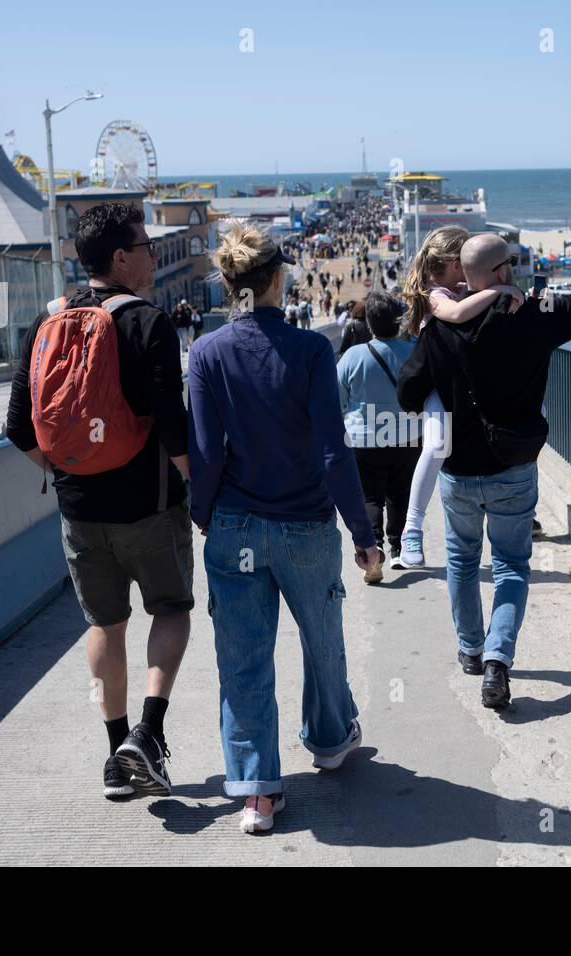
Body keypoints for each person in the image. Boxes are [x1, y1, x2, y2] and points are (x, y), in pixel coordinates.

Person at [397, 233, 571, 709]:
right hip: (513, 468)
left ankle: (471, 649)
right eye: (512, 264)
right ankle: (498, 660)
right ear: (500, 273)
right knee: (512, 565)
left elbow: (407, 393)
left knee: (461, 561)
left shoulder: (439, 327)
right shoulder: (533, 315)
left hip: (457, 471)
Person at [188, 221, 378, 834]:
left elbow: (207, 452)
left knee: (243, 658)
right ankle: (328, 742)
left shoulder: (207, 353)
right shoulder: (310, 351)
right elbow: (333, 450)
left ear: (228, 284)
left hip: (235, 528)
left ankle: (258, 793)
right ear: (276, 280)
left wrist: (203, 514)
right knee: (322, 641)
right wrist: (363, 531)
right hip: (304, 527)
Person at [4, 202, 194, 801]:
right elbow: (173, 428)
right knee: (171, 608)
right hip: (149, 505)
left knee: (104, 624)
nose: (152, 255)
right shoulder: (148, 322)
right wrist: (201, 491)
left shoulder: (45, 320)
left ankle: (116, 759)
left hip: (79, 510)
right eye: (144, 246)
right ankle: (149, 732)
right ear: (119, 258)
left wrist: (66, 471)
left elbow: (17, 427)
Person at [395, 226, 524, 570]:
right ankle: (412, 527)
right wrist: (500, 288)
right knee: (437, 444)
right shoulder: (435, 294)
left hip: (457, 381)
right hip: (435, 385)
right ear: (455, 263)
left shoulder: (458, 288)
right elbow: (454, 315)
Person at [337, 291, 420, 576]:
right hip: (408, 436)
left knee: (370, 496)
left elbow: (337, 399)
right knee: (400, 492)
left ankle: (374, 547)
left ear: (369, 323)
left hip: (364, 438)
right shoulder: (413, 350)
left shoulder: (352, 356)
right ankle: (398, 547)